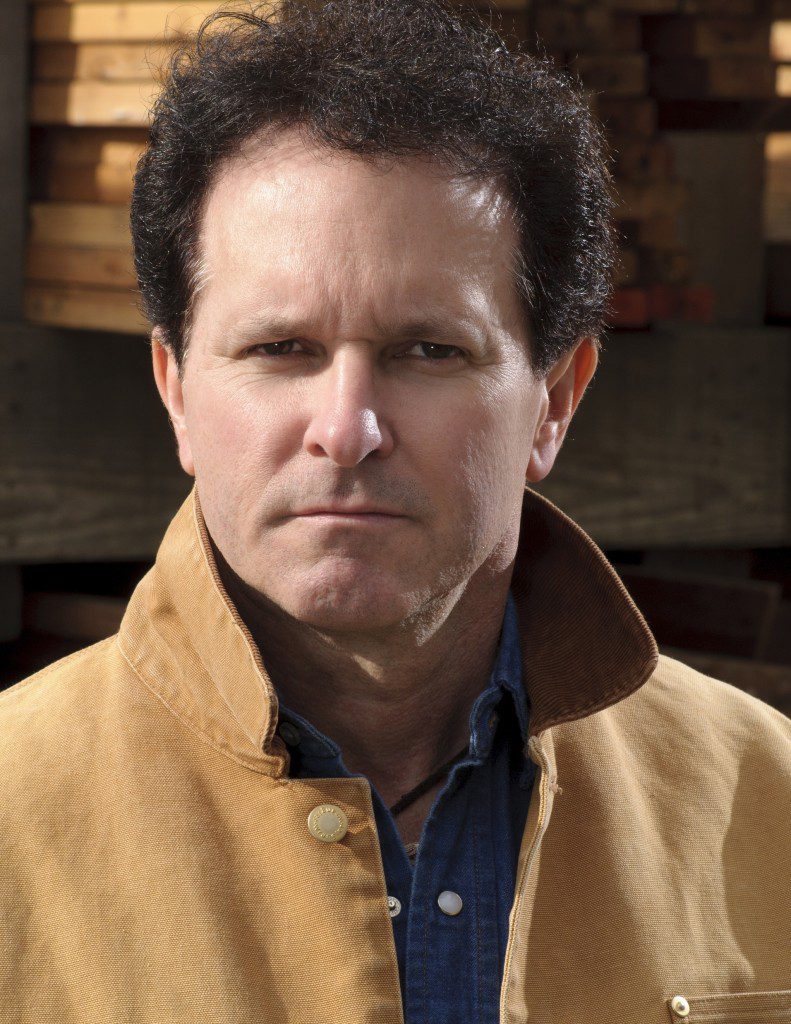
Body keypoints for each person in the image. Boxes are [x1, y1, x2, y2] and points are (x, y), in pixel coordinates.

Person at [2, 0, 789, 1021]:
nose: (347, 428)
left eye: (427, 350)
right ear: (176, 392)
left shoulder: (765, 803)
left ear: (554, 400)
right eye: (279, 348)